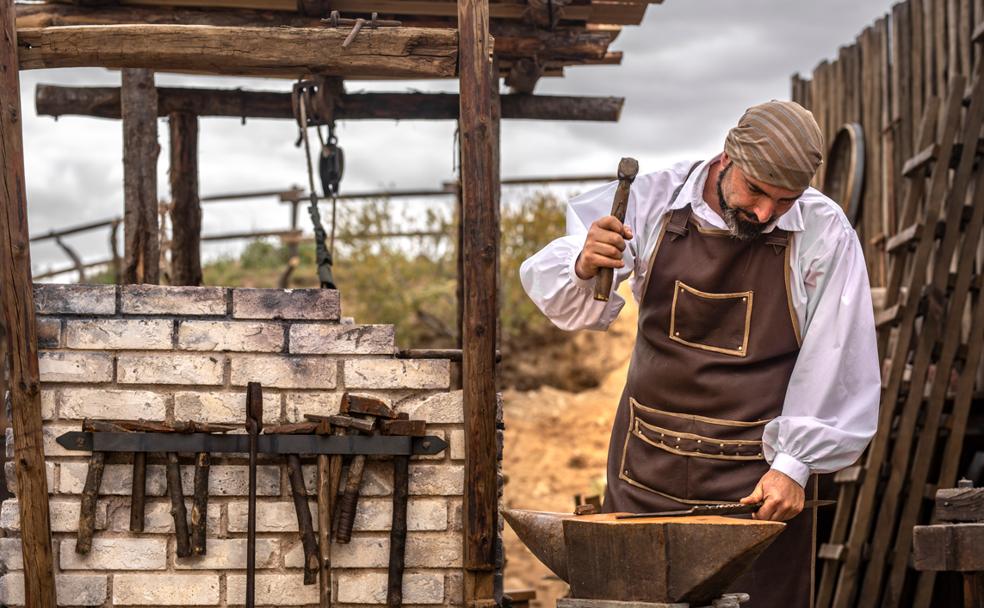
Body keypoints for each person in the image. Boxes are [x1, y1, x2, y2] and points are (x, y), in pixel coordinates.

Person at [519, 100, 880, 607]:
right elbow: (574, 307)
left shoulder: (824, 232)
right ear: (725, 158)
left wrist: (795, 466)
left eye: (783, 201)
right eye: (755, 191)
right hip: (645, 467)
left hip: (756, 489)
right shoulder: (652, 199)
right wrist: (584, 262)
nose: (763, 213)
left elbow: (838, 357)